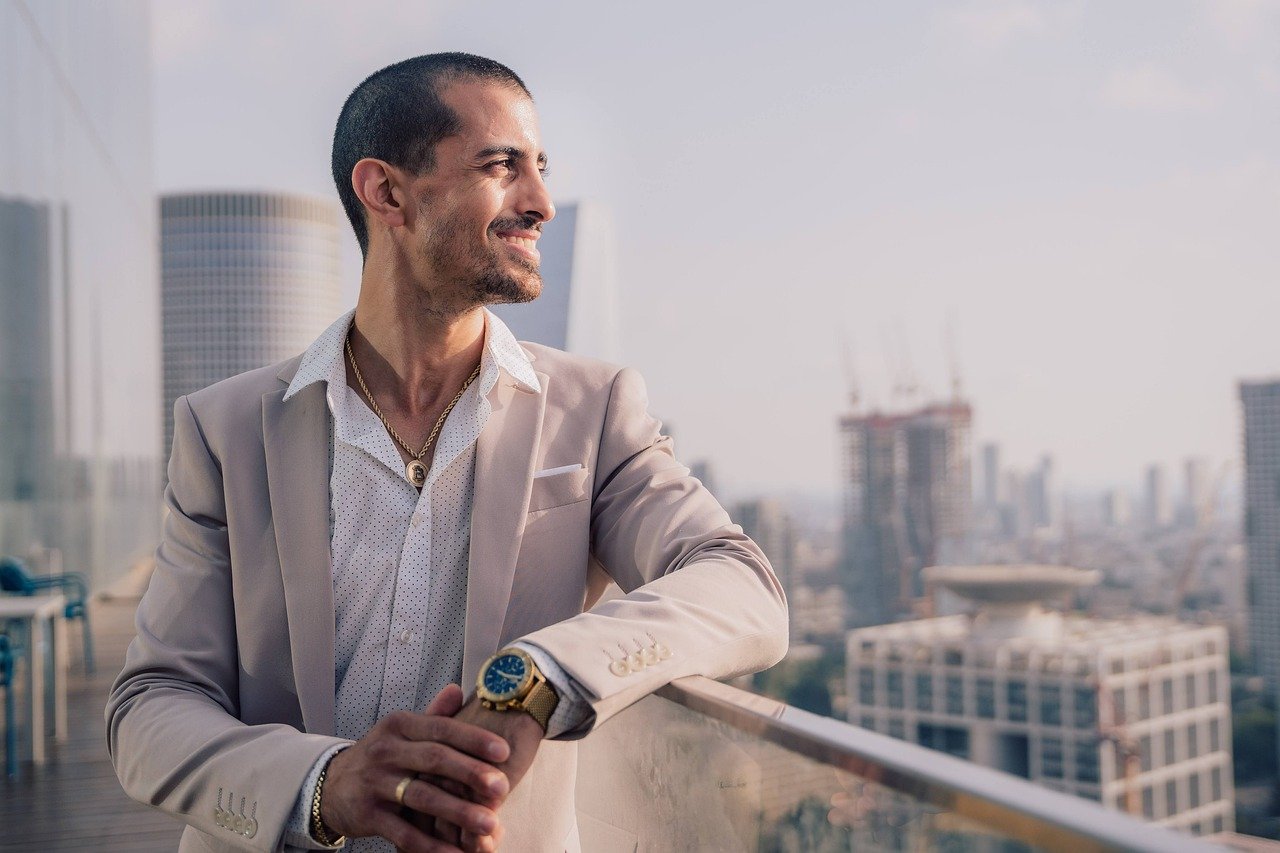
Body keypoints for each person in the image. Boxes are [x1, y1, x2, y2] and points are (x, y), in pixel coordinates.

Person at [107, 52, 787, 853]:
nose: (540, 202)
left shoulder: (595, 412)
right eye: (502, 166)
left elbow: (741, 586)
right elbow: (151, 704)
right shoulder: (223, 429)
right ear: (387, 192)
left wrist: (538, 678)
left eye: (541, 168)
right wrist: (323, 783)